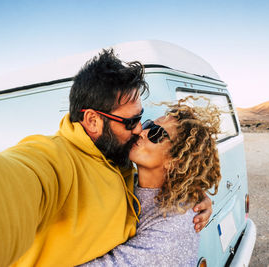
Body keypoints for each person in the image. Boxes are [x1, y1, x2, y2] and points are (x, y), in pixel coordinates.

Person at [0, 50, 212, 267]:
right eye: (133, 122)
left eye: (146, 121)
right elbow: (1, 187)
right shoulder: (54, 159)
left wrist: (195, 194)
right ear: (92, 121)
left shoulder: (119, 160)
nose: (140, 129)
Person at [81, 99, 222, 266]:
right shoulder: (125, 180)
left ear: (176, 161)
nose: (141, 131)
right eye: (148, 125)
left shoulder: (174, 226)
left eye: (156, 133)